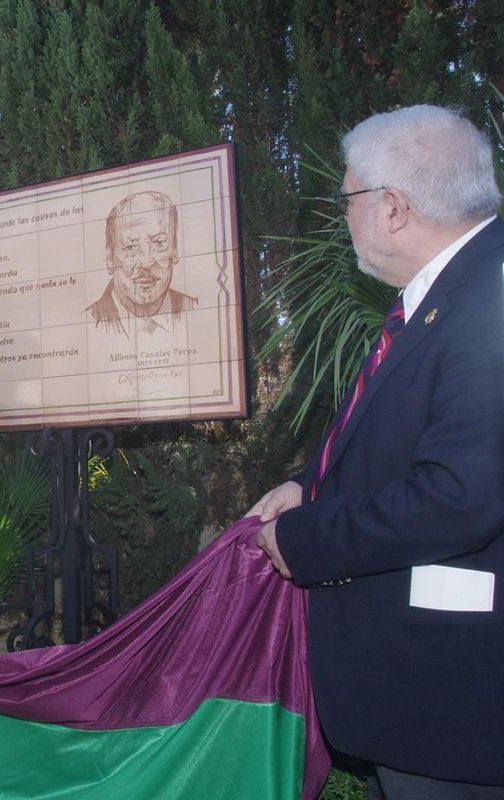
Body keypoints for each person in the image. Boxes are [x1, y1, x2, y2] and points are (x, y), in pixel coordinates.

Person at [249, 105, 504, 798]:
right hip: (426, 692)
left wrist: (305, 537)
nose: (345, 215)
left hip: (458, 703)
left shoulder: (492, 297)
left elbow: (460, 498)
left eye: (349, 197)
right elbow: (407, 434)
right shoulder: (450, 291)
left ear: (392, 206)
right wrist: (311, 483)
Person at [86, 190, 198, 338]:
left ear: (175, 249)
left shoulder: (198, 311)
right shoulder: (88, 323)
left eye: (159, 242)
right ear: (109, 259)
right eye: (130, 247)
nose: (147, 262)